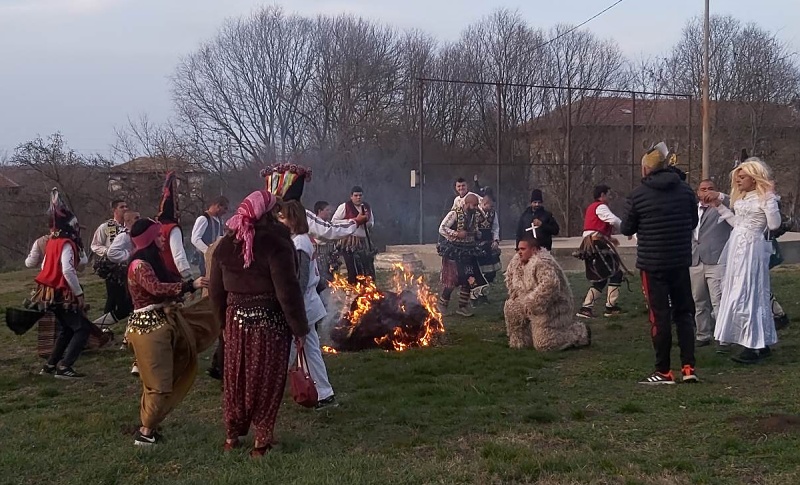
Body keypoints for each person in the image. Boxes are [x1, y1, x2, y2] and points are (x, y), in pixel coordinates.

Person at [210, 189, 309, 456]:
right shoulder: (277, 242)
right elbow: (287, 291)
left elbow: (216, 291)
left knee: (237, 380)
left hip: (235, 323)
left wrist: (222, 324)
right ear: (268, 214)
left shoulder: (226, 243)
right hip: (270, 324)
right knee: (266, 380)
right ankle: (261, 442)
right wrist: (300, 328)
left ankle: (232, 437)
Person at [125, 218, 215, 446]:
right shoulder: (139, 265)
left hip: (162, 324)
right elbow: (155, 288)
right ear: (147, 240)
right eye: (157, 235)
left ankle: (150, 427)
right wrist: (189, 285)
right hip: (148, 330)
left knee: (169, 374)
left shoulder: (152, 261)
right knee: (159, 385)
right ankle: (145, 433)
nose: (162, 238)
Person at [621, 141, 698, 385]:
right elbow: (693, 221)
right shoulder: (686, 191)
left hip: (653, 264)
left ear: (645, 170)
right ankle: (688, 367)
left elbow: (627, 228)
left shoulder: (638, 195)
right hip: (680, 261)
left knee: (659, 316)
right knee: (684, 313)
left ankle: (664, 370)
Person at [702, 159, 782, 364]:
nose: (738, 181)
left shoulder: (763, 198)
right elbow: (738, 223)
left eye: (742, 177)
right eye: (736, 177)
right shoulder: (743, 198)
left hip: (752, 248)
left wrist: (769, 197)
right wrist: (720, 207)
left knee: (748, 293)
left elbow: (773, 224)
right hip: (737, 245)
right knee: (737, 290)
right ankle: (759, 342)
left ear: (754, 178)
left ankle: (752, 343)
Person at [279, 200, 338, 410]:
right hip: (307, 305)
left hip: (302, 306)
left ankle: (269, 392)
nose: (280, 220)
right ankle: (325, 392)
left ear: (292, 220)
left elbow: (300, 281)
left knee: (288, 350)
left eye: (283, 217)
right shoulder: (302, 240)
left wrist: (293, 310)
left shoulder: (300, 244)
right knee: (311, 349)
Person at [32, 188, 91, 379]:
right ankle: (65, 366)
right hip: (60, 291)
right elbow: (67, 269)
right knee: (82, 329)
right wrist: (79, 293)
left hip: (49, 290)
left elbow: (44, 265)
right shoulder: (66, 242)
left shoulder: (51, 242)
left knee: (67, 328)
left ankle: (50, 365)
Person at [503, 233, 590, 351]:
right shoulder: (516, 263)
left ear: (533, 250)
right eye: (518, 249)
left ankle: (579, 332)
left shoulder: (542, 262)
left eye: (523, 249)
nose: (519, 252)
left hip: (554, 306)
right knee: (512, 307)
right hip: (531, 303)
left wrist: (531, 303)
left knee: (543, 343)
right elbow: (512, 282)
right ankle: (521, 341)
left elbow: (550, 286)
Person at [690, 179, 731, 348]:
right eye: (703, 189)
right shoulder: (692, 209)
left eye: (710, 189)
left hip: (716, 259)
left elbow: (732, 201)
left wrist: (719, 197)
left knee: (718, 300)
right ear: (698, 192)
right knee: (699, 300)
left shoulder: (723, 207)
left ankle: (723, 336)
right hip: (695, 260)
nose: (706, 192)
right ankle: (702, 334)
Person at [576, 185, 625, 319]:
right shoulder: (601, 207)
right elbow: (614, 220)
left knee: (603, 277)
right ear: (602, 195)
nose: (610, 197)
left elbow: (593, 229)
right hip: (597, 245)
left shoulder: (593, 207)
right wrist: (628, 229)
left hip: (594, 244)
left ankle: (587, 307)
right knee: (615, 273)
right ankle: (609, 307)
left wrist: (609, 238)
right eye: (608, 194)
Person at [437, 193, 487, 317]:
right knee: (452, 280)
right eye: (474, 205)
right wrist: (456, 234)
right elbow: (442, 228)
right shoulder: (454, 213)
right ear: (466, 203)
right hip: (454, 251)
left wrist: (477, 233)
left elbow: (477, 225)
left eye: (477, 205)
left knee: (469, 278)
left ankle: (462, 306)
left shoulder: (475, 214)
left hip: (469, 250)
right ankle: (442, 304)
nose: (476, 207)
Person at [90, 199, 132, 327]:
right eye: (121, 207)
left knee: (126, 297)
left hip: (129, 266)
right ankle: (101, 327)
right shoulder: (106, 227)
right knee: (113, 297)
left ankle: (104, 326)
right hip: (113, 268)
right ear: (115, 210)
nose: (125, 208)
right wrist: (108, 252)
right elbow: (95, 245)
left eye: (126, 206)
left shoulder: (129, 226)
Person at [332, 186, 376, 284]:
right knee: (353, 268)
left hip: (363, 241)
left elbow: (371, 223)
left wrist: (365, 223)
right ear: (351, 196)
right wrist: (354, 221)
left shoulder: (367, 207)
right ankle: (353, 288)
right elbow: (334, 222)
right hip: (349, 242)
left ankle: (367, 288)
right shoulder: (344, 206)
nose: (358, 197)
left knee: (366, 267)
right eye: (356, 195)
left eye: (360, 195)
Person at [155, 171, 193, 281]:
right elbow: (178, 256)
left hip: (158, 272)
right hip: (171, 275)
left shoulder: (156, 226)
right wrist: (189, 278)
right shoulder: (172, 228)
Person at [473, 189, 501, 303]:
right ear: (484, 204)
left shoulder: (493, 213)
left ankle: (483, 293)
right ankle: (474, 296)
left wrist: (496, 241)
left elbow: (495, 227)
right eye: (490, 205)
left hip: (489, 245)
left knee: (491, 272)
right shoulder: (474, 212)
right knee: (477, 272)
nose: (492, 207)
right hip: (476, 246)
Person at [191, 196, 229, 277]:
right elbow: (195, 239)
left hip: (216, 257)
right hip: (205, 258)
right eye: (225, 208)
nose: (226, 211)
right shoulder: (203, 219)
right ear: (218, 206)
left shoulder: (219, 220)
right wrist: (208, 251)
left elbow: (219, 237)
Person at [312, 200, 341, 283]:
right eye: (327, 210)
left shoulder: (331, 228)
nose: (330, 212)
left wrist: (335, 262)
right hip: (315, 265)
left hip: (328, 266)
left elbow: (334, 248)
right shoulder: (311, 227)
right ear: (319, 211)